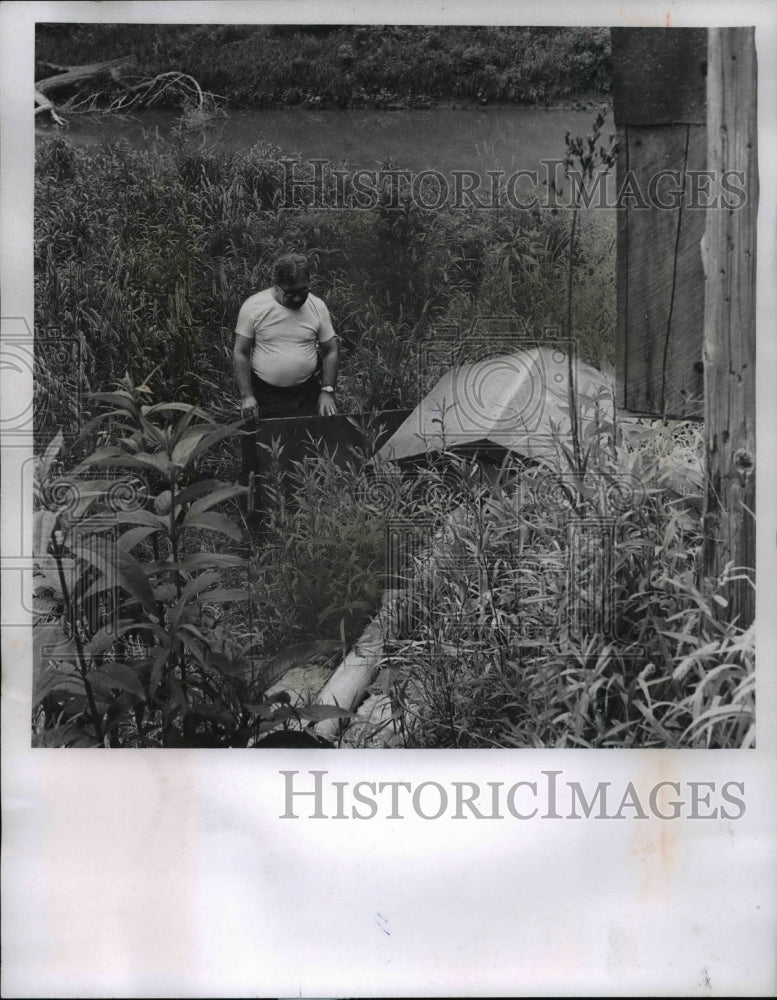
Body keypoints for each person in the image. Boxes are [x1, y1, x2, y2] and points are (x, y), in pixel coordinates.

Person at [233, 253, 339, 498]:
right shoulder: (254, 307)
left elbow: (331, 350)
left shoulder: (317, 306)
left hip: (304, 393)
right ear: (275, 284)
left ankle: (304, 505)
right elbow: (241, 352)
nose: (296, 298)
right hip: (264, 394)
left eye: (302, 291)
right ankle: (254, 513)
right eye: (289, 292)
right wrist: (247, 395)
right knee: (256, 455)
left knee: (307, 449)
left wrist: (327, 391)